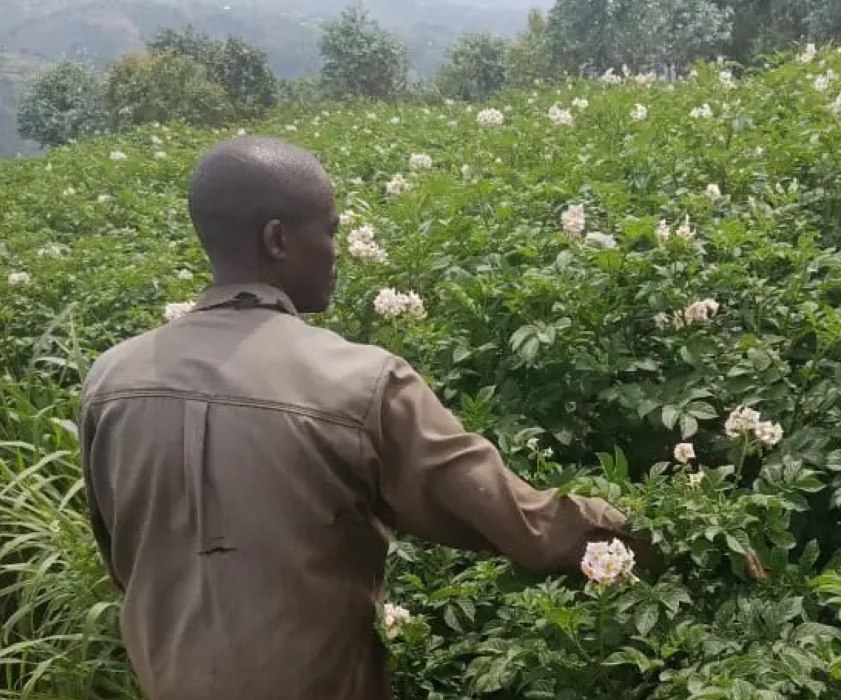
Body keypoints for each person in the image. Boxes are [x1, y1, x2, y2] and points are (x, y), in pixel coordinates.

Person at [78, 136, 643, 700]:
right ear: (277, 238)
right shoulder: (358, 384)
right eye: (328, 230)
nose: (336, 249)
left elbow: (124, 559)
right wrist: (667, 538)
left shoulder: (111, 381)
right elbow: (518, 522)